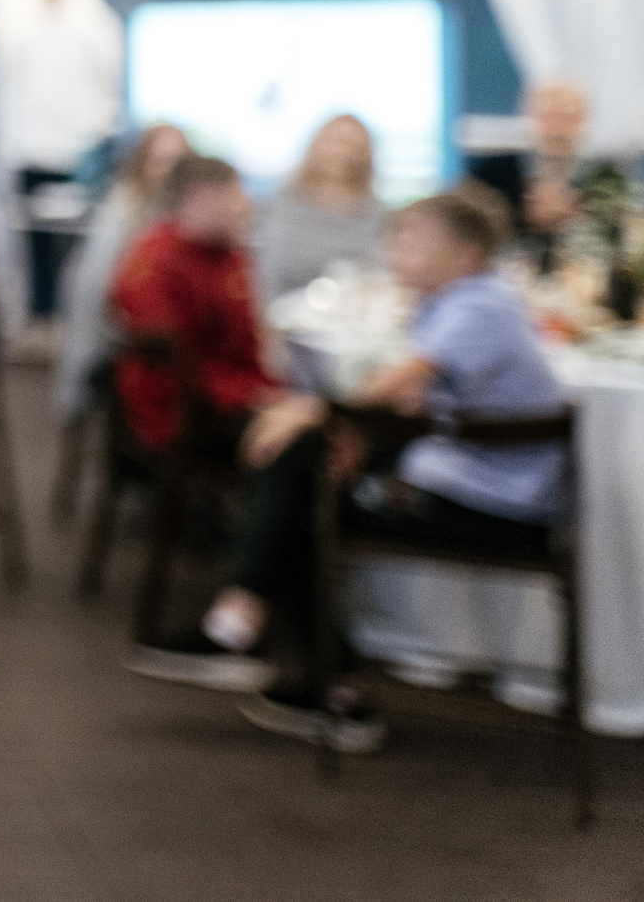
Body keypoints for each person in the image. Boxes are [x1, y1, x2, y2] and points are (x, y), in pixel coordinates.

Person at [129, 189, 564, 755]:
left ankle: (281, 648)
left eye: (412, 240)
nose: (395, 252)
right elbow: (416, 405)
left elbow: (400, 382)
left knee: (303, 498)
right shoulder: (463, 302)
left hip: (493, 504)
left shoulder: (478, 305)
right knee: (300, 466)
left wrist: (313, 411)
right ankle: (275, 643)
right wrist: (346, 431)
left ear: (465, 255)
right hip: (470, 480)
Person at [109, 155, 282, 466]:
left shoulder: (227, 254)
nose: (245, 205)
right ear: (202, 198)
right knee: (292, 443)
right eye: (235, 194)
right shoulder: (155, 261)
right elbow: (181, 367)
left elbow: (243, 343)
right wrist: (256, 398)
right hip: (184, 411)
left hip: (227, 392)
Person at [0, 0, 124, 319]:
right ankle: (41, 313)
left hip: (78, 155)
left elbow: (107, 83)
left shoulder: (95, 24)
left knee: (81, 245)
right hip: (32, 152)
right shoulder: (24, 27)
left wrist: (94, 139)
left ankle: (79, 313)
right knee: (35, 245)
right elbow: (14, 87)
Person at [52, 122, 190, 422]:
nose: (169, 171)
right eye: (160, 161)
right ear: (142, 165)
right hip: (121, 348)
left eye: (178, 163)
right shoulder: (121, 218)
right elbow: (101, 300)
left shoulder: (181, 217)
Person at [467, 80, 628, 277]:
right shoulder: (493, 173)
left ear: (584, 119)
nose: (557, 128)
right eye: (548, 116)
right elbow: (470, 234)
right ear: (529, 115)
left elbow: (616, 245)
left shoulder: (606, 179)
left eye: (567, 117)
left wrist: (573, 220)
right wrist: (524, 217)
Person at [253, 113, 386, 304]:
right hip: (279, 312)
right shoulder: (281, 202)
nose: (343, 152)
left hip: (349, 319)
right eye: (337, 141)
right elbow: (262, 269)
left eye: (353, 146)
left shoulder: (376, 214)